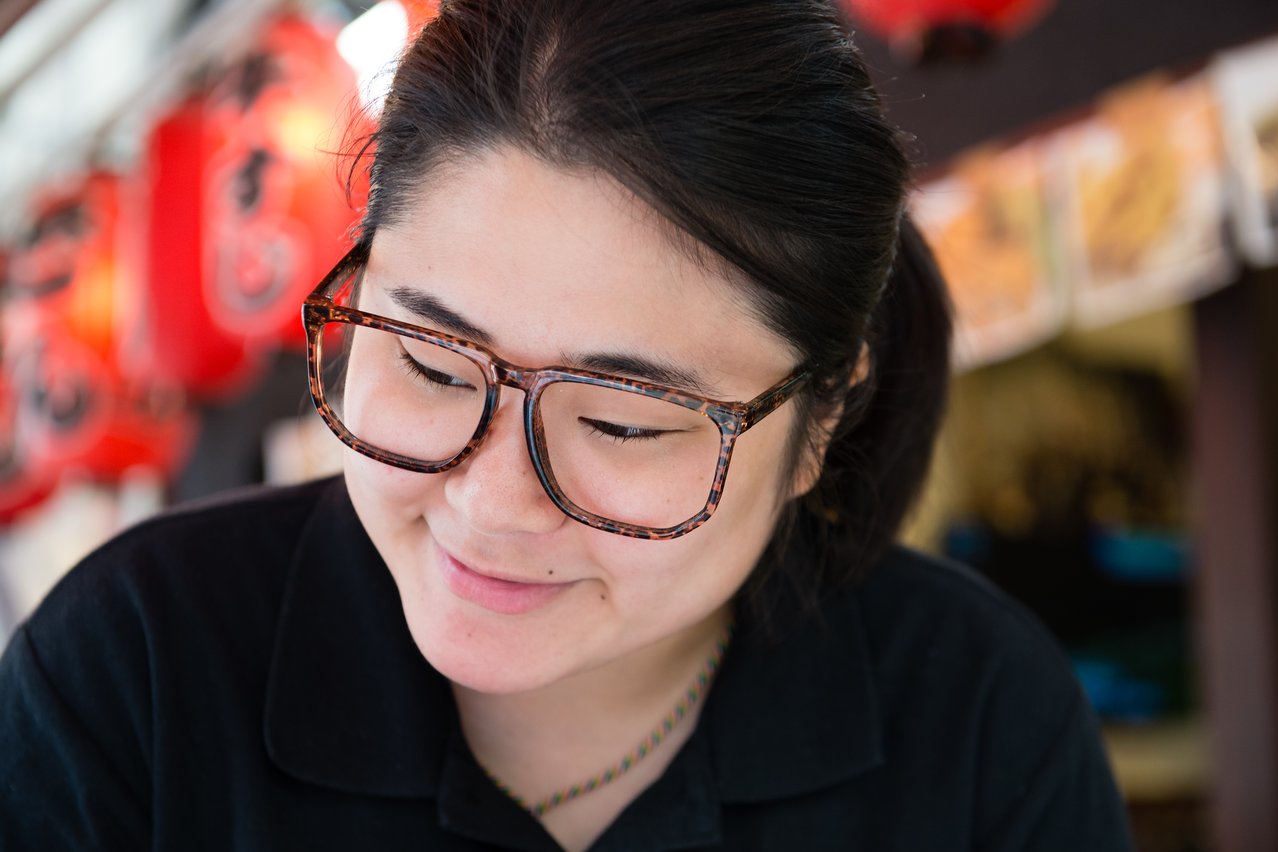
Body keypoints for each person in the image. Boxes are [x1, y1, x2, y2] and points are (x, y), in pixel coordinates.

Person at [0, 1, 1135, 849]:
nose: (489, 503)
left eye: (626, 424)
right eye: (431, 365)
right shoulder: (136, 672)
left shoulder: (978, 725)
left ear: (822, 417)